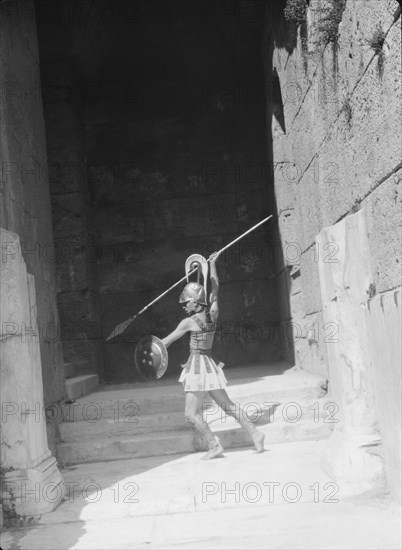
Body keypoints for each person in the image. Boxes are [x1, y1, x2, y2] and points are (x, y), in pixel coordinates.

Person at [162, 251, 265, 459]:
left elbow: (166, 342)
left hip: (198, 369)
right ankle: (256, 433)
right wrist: (213, 264)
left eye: (186, 302)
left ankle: (214, 445)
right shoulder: (213, 313)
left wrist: (150, 346)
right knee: (228, 406)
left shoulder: (188, 322)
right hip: (209, 365)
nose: (184, 305)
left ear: (195, 301)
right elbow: (215, 288)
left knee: (190, 414)